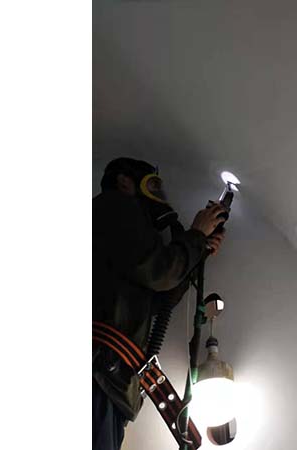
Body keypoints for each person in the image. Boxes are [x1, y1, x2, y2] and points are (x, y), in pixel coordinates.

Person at [92, 157, 227, 450]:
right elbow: (159, 271)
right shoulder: (115, 205)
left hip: (110, 379)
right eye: (152, 186)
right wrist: (195, 236)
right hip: (100, 375)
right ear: (124, 181)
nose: (158, 196)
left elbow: (156, 301)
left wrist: (198, 250)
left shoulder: (116, 240)